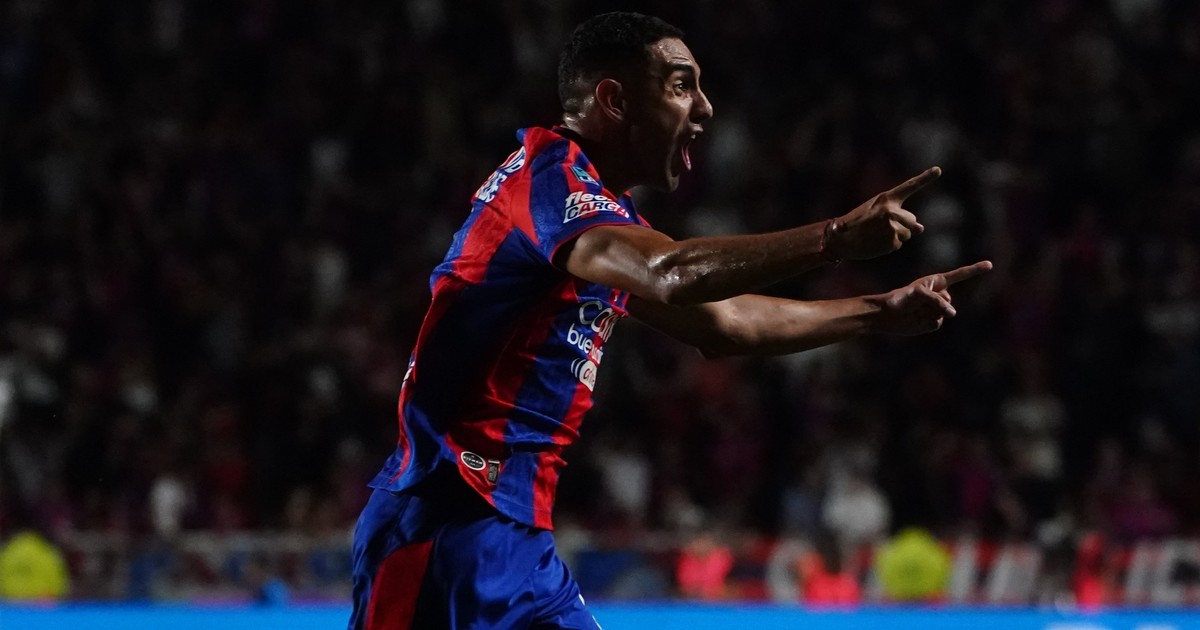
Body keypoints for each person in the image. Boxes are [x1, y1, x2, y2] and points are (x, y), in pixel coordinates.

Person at [349, 11, 991, 630]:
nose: (705, 108)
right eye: (682, 85)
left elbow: (726, 324)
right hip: (444, 523)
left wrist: (877, 312)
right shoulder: (549, 184)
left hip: (519, 540)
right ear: (614, 100)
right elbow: (673, 274)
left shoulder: (603, 222)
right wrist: (834, 239)